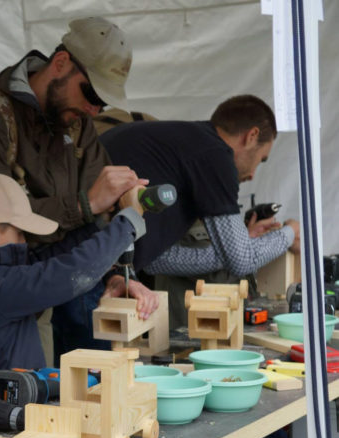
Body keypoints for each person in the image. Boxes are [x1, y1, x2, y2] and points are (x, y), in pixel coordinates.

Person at [0, 16, 160, 371]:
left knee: (40, 406)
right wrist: (87, 204)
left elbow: (80, 234)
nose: (94, 109)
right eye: (91, 93)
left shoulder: (78, 125)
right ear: (60, 64)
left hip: (36, 308)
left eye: (102, 102)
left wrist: (112, 275)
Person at [0, 170, 147, 395]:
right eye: (21, 233)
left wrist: (101, 223)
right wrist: (128, 221)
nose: (25, 242)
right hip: (4, 419)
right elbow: (68, 273)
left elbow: (43, 261)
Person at [100, 95, 300, 325]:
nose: (253, 173)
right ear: (251, 136)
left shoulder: (190, 147)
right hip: (91, 268)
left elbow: (157, 259)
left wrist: (243, 240)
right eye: (260, 159)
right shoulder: (214, 155)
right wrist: (288, 233)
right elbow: (242, 261)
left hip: (94, 264)